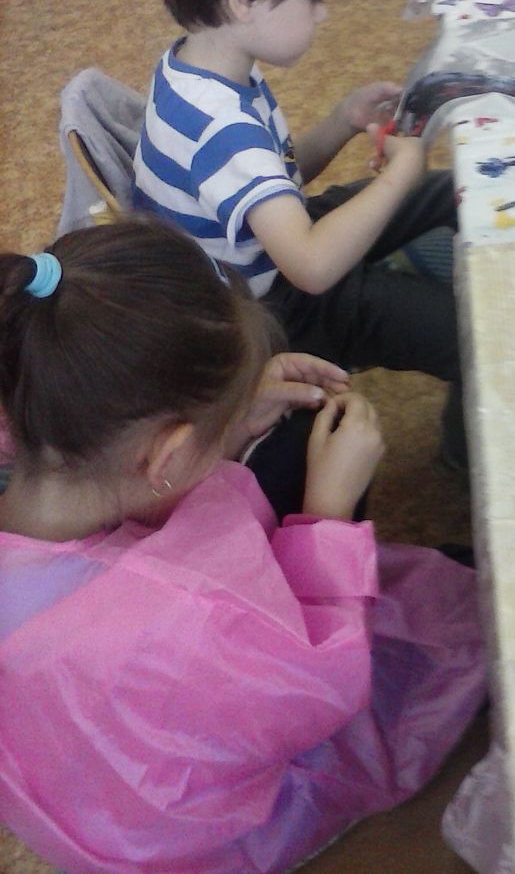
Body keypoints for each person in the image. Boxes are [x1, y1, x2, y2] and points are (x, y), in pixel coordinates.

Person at [0, 217, 485, 874]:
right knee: (462, 610)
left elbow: (130, 479)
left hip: (77, 786)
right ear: (165, 453)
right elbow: (316, 691)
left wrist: (221, 420)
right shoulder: (175, 621)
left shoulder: (35, 426)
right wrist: (329, 512)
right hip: (184, 831)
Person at [131, 0, 466, 508]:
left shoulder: (198, 66)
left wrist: (341, 121)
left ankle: (444, 256)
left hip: (271, 256)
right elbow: (311, 267)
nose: (323, 14)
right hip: (267, 314)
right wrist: (399, 174)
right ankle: (465, 444)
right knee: (465, 333)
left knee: (439, 191)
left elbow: (276, 181)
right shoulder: (223, 127)